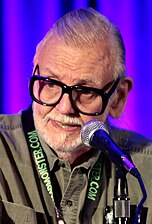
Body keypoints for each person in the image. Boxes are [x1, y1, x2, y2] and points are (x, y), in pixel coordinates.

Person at [0, 7, 152, 224]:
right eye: (51, 83)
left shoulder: (146, 169)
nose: (64, 108)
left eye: (86, 91)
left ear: (118, 98)